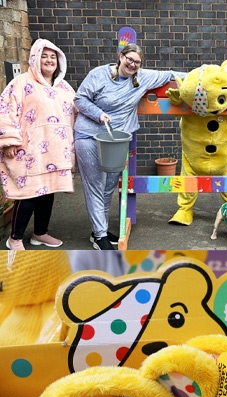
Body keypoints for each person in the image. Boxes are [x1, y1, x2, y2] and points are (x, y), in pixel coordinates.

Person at [74, 43, 184, 250]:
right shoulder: (99, 74)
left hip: (115, 140)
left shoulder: (142, 77)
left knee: (108, 186)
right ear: (121, 56)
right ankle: (99, 236)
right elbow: (79, 98)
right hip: (89, 135)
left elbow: (170, 74)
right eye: (129, 59)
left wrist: (204, 75)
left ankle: (100, 230)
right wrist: (98, 114)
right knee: (96, 185)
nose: (132, 64)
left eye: (137, 62)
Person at [0, 39, 76, 250]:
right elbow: (5, 109)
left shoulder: (64, 87)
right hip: (28, 150)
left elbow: (79, 111)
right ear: (35, 58)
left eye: (53, 56)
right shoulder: (21, 83)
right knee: (27, 194)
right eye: (44, 55)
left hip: (55, 151)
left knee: (47, 193)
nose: (49, 60)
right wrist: (8, 140)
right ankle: (14, 238)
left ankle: (40, 233)